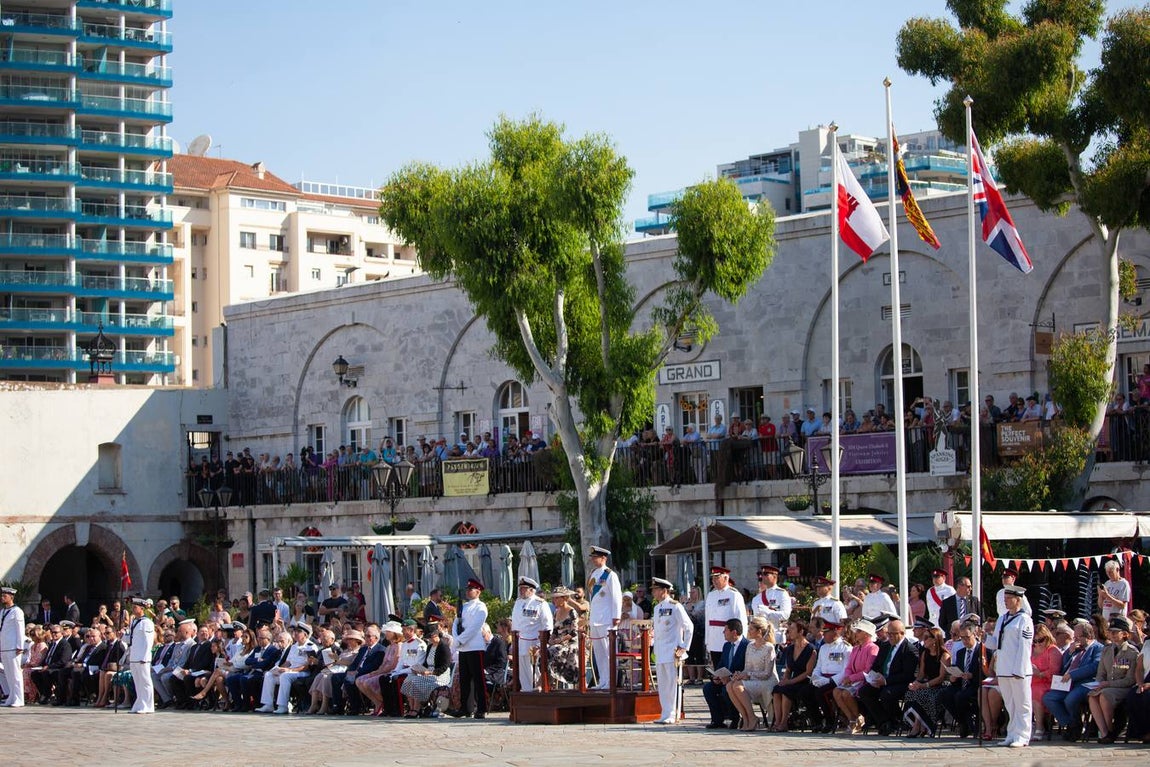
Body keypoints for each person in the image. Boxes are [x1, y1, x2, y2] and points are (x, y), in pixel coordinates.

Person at [858, 618, 918, 736]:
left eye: (893, 634)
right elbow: (876, 666)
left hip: (899, 683)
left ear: (902, 633)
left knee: (887, 694)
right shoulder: (885, 647)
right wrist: (873, 676)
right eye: (888, 633)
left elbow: (907, 675)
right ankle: (883, 721)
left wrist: (885, 681)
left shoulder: (909, 650)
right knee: (864, 692)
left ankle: (896, 720)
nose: (890, 636)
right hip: (882, 680)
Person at [1086, 615, 1139, 743]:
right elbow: (1101, 673)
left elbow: (1130, 680)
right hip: (1106, 686)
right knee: (1092, 695)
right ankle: (1104, 732)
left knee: (1105, 695)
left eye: (1116, 632)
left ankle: (1111, 730)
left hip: (1122, 688)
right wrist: (1098, 684)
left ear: (1125, 634)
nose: (1112, 634)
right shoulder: (1107, 650)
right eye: (1111, 632)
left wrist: (1107, 684)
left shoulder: (1132, 652)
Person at [994, 584, 1034, 748]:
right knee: (1010, 704)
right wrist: (984, 638)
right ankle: (1012, 733)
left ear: (1018, 600)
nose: (1006, 602)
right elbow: (996, 642)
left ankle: (1023, 735)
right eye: (1005, 599)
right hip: (1003, 668)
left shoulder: (1025, 620)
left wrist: (1020, 670)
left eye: (1009, 599)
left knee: (1022, 704)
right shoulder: (1002, 618)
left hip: (1018, 669)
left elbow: (1025, 647)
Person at [649, 577, 692, 725]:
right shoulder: (657, 608)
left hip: (672, 650)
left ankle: (672, 713)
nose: (653, 592)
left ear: (664, 590)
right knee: (662, 684)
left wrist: (684, 647)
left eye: (655, 589)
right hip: (660, 651)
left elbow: (689, 626)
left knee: (672, 684)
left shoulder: (675, 606)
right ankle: (665, 712)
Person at [799, 619, 851, 732]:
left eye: (827, 632)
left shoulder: (845, 648)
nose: (824, 634)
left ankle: (830, 720)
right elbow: (818, 666)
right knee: (805, 691)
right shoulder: (823, 648)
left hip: (837, 681)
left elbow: (846, 670)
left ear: (836, 632)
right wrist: (816, 677)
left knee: (821, 693)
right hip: (822, 678)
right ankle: (817, 720)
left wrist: (831, 681)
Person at [831, 618, 879, 735]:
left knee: (846, 694)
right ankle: (853, 718)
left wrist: (851, 678)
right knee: (837, 692)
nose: (855, 633)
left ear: (866, 634)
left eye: (858, 631)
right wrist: (848, 677)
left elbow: (868, 670)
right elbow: (849, 667)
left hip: (864, 681)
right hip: (852, 680)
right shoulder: (856, 648)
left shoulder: (872, 648)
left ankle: (857, 719)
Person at [450, 578, 489, 718]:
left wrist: (460, 640)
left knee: (479, 680)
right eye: (467, 589)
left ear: (478, 592)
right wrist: (456, 638)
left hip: (474, 647)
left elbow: (474, 628)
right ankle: (465, 708)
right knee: (464, 680)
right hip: (463, 648)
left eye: (470, 589)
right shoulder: (464, 606)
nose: (468, 591)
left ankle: (481, 708)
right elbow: (456, 623)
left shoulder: (481, 607)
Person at [901, 626, 950, 737]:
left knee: (923, 695)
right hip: (927, 684)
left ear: (934, 639)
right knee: (911, 693)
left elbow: (941, 677)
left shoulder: (944, 655)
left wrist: (924, 685)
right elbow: (922, 673)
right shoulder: (925, 654)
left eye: (927, 637)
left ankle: (919, 726)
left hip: (940, 686)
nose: (924, 640)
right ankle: (918, 724)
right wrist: (915, 683)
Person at [585, 546, 622, 690]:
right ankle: (603, 680)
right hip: (595, 618)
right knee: (599, 653)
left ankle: (611, 681)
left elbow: (616, 597)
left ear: (604, 558)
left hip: (607, 619)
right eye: (593, 557)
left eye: (596, 557)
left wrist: (616, 616)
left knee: (608, 652)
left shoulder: (610, 575)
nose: (594, 560)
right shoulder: (593, 573)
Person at [702, 618, 748, 729]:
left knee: (726, 689)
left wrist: (731, 678)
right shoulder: (727, 646)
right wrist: (717, 676)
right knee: (708, 688)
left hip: (739, 681)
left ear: (734, 632)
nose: (723, 632)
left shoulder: (747, 646)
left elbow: (747, 667)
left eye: (725, 630)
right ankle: (717, 720)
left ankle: (735, 718)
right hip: (725, 679)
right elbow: (722, 664)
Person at [939, 621, 982, 737]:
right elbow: (956, 668)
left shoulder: (981, 650)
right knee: (944, 694)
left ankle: (969, 724)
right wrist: (953, 676)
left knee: (960, 697)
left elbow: (985, 673)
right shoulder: (960, 652)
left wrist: (972, 675)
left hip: (974, 685)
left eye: (967, 637)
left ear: (975, 634)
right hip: (961, 683)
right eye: (962, 638)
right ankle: (963, 722)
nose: (964, 641)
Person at [510, 576, 553, 692]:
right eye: (520, 588)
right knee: (522, 670)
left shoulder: (539, 603)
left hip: (534, 642)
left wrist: (542, 644)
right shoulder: (518, 603)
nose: (521, 591)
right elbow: (515, 623)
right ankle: (526, 690)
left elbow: (547, 625)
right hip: (520, 641)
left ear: (531, 590)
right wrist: (513, 643)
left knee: (534, 670)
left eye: (524, 588)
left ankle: (536, 691)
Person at [771, 619, 815, 732]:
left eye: (793, 629)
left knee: (787, 691)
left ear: (801, 632)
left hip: (804, 681)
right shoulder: (790, 649)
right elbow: (788, 668)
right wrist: (785, 679)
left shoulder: (811, 650)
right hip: (791, 680)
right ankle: (778, 721)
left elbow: (808, 672)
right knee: (777, 689)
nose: (789, 631)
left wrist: (789, 682)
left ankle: (784, 722)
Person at [704, 566, 746, 670]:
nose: (714, 581)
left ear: (726, 578)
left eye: (717, 578)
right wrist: (707, 640)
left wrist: (741, 640)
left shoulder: (734, 595)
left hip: (728, 638)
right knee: (717, 671)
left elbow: (741, 619)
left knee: (729, 670)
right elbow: (708, 620)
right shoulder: (711, 595)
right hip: (714, 639)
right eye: (713, 578)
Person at [1029, 623, 1062, 739]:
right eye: (1035, 641)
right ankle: (1026, 725)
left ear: (1047, 637)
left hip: (1047, 682)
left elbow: (1054, 672)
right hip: (1031, 680)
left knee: (1035, 692)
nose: (1037, 643)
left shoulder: (1053, 650)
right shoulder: (1031, 649)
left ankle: (1039, 727)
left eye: (1040, 640)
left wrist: (1039, 673)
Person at [545, 587, 583, 688]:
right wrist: (551, 639)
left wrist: (561, 640)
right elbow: (555, 630)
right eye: (554, 598)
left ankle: (552, 680)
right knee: (544, 653)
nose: (554, 600)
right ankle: (548, 681)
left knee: (556, 652)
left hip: (570, 643)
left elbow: (574, 632)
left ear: (564, 598)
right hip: (558, 643)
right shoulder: (556, 612)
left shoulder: (572, 612)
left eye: (557, 598)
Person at [126, 596, 155, 714]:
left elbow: (149, 641)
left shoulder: (147, 623)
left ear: (142, 608)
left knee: (145, 682)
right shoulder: (134, 622)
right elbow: (132, 639)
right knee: (138, 682)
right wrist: (122, 636)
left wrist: (145, 656)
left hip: (142, 657)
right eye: (133, 607)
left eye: (136, 607)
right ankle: (139, 703)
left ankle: (148, 705)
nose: (133, 609)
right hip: (134, 656)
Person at [0, 586, 26, 707]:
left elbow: (20, 630)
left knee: (15, 674)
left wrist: (19, 646)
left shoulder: (17, 611)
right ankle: (11, 696)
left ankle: (19, 698)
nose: (2, 598)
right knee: (8, 674)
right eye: (2, 595)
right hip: (4, 646)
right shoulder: (3, 611)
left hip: (13, 647)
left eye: (5, 596)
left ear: (11, 597)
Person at [750, 565, 791, 637]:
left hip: (775, 634)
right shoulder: (757, 598)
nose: (763, 577)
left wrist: (768, 612)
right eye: (762, 574)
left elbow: (785, 615)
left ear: (775, 576)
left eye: (766, 574)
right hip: (760, 636)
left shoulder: (782, 594)